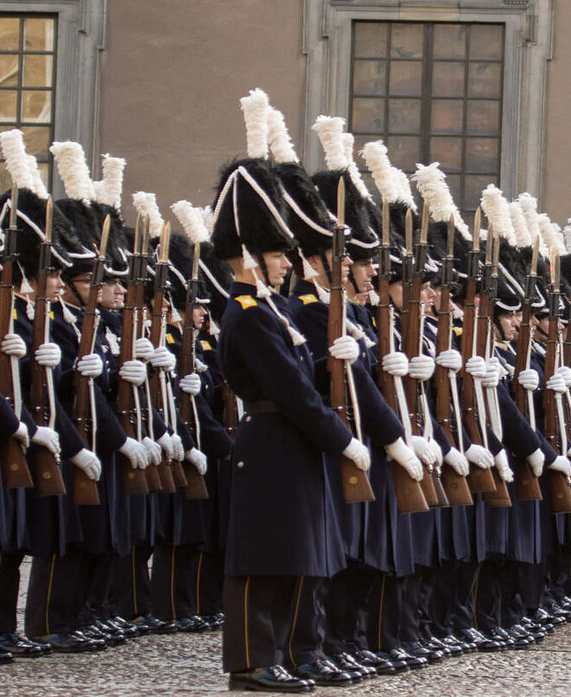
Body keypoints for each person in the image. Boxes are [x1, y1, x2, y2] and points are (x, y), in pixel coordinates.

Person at [212, 91, 370, 694]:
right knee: (263, 559)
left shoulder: (271, 311)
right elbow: (290, 390)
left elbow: (303, 379)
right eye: (277, 254)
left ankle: (287, 652)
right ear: (251, 254)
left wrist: (336, 367)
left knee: (298, 556)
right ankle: (253, 660)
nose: (285, 263)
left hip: (290, 441)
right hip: (272, 438)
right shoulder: (249, 314)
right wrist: (342, 438)